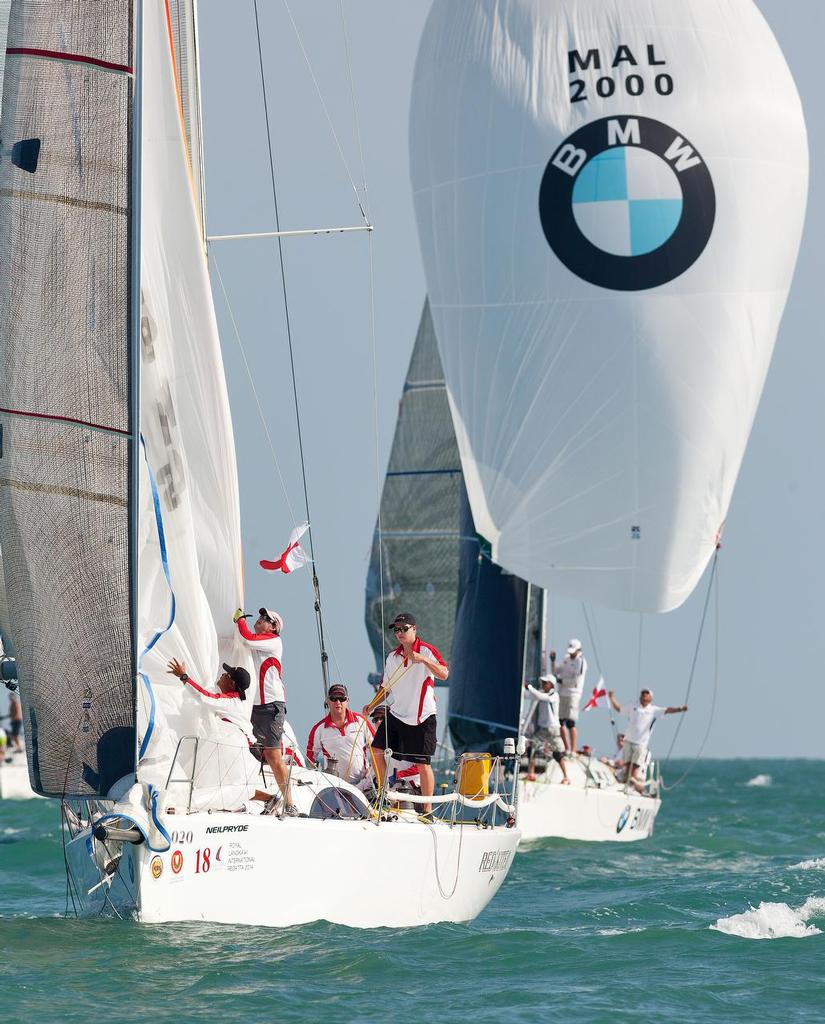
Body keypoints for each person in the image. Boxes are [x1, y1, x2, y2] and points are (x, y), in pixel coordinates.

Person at [364, 612, 448, 815]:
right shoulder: (392, 657)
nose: (399, 633)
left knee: (422, 764)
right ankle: (384, 794)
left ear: (414, 630)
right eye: (396, 630)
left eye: (404, 629)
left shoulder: (427, 651)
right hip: (397, 714)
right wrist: (371, 704)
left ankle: (427, 810)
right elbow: (387, 687)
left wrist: (422, 660)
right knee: (376, 749)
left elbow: (444, 673)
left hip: (423, 716)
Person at [233, 606, 296, 814]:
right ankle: (265, 799)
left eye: (265, 618)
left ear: (274, 627)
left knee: (274, 755)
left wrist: (240, 619)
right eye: (260, 616)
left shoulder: (273, 640)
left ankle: (290, 804)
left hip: (272, 704)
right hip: (254, 705)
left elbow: (247, 639)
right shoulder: (262, 641)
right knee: (249, 753)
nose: (260, 619)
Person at [607, 688, 687, 792]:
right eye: (643, 693)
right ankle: (625, 788)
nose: (644, 695)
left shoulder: (653, 710)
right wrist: (612, 698)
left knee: (635, 770)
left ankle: (635, 789)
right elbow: (619, 709)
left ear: (651, 698)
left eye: (647, 694)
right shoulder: (633, 706)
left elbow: (668, 710)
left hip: (640, 744)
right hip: (628, 741)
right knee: (627, 767)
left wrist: (680, 709)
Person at [306, 683, 375, 786]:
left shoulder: (361, 721)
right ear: (328, 701)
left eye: (341, 698)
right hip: (334, 786)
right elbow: (310, 758)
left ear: (347, 701)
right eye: (333, 698)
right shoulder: (319, 729)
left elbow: (377, 748)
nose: (338, 702)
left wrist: (372, 770)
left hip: (362, 784)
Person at [523, 674, 569, 784]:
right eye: (542, 682)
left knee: (558, 754)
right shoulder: (540, 693)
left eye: (545, 683)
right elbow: (528, 695)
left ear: (551, 684)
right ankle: (531, 774)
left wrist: (529, 686)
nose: (542, 684)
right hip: (543, 729)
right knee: (532, 747)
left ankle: (566, 777)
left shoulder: (554, 695)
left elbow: (541, 697)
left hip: (553, 729)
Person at [549, 639, 587, 753]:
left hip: (573, 694)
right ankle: (566, 748)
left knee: (571, 722)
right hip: (562, 693)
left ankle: (573, 749)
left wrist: (561, 680)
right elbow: (556, 671)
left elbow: (576, 680)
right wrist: (553, 661)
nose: (571, 653)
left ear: (579, 650)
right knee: (560, 721)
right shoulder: (566, 659)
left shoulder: (581, 662)